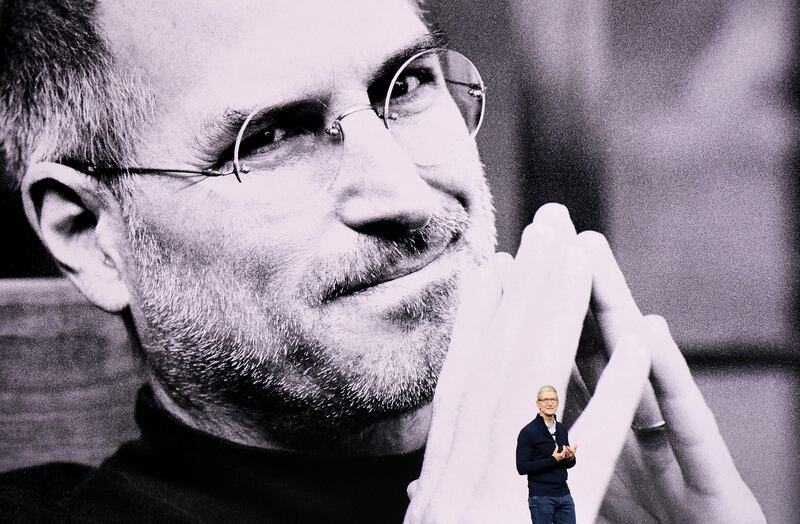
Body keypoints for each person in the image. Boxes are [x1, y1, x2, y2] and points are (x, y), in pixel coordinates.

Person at [0, 0, 768, 522]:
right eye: (270, 137)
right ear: (88, 232)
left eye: (407, 86)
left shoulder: (615, 494)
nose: (404, 192)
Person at [517, 386, 577, 524]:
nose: (550, 403)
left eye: (553, 399)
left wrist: (570, 458)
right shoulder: (528, 432)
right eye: (545, 400)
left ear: (557, 402)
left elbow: (564, 462)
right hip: (541, 496)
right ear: (538, 404)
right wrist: (552, 460)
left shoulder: (561, 429)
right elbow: (522, 467)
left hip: (564, 494)